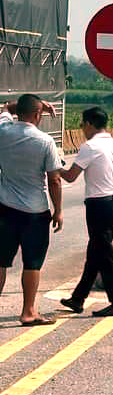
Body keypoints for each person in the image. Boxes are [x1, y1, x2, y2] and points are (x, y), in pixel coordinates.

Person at [58, 107, 113, 317]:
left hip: (98, 205)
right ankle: (78, 298)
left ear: (90, 124)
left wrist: (53, 165)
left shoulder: (89, 147)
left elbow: (70, 177)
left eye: (82, 124)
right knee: (95, 253)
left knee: (104, 255)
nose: (82, 129)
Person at [0, 94, 62, 326]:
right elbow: (54, 180)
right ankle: (28, 311)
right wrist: (59, 210)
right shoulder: (45, 141)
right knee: (32, 263)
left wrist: (37, 105)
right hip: (35, 212)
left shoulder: (3, 130)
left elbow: (6, 106)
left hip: (5, 208)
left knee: (1, 261)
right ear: (38, 115)